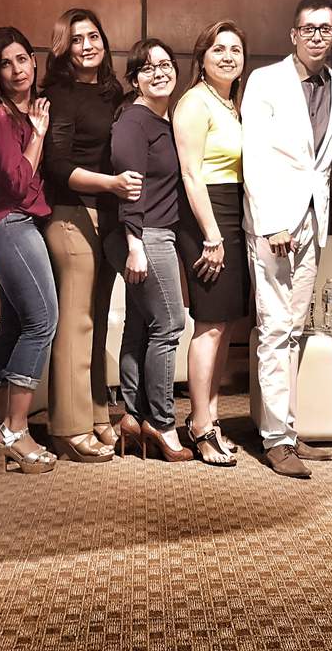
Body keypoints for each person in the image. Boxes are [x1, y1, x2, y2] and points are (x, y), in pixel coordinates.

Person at [241, 0, 332, 478]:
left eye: (325, 28)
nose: (316, 36)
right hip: (275, 225)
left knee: (295, 331)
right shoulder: (265, 81)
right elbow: (254, 155)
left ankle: (286, 426)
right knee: (274, 328)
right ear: (293, 34)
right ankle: (275, 439)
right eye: (308, 28)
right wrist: (271, 222)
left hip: (314, 222)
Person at [41, 9, 142, 462]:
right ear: (64, 47)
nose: (87, 45)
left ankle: (98, 414)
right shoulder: (58, 95)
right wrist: (111, 184)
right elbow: (56, 164)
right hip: (70, 213)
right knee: (76, 321)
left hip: (108, 217)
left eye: (94, 36)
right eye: (77, 39)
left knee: (99, 319)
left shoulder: (112, 93)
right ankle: (68, 427)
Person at [0, 27, 59, 475]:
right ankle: (15, 430)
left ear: (34, 60)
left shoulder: (31, 107)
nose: (16, 70)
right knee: (42, 321)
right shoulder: (1, 116)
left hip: (21, 221)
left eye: (22, 59)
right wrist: (38, 135)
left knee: (15, 322)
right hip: (8, 222)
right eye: (5, 63)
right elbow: (17, 183)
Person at [107, 39, 193, 462]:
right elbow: (130, 188)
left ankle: (133, 415)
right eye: (147, 67)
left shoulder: (163, 120)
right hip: (144, 235)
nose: (159, 72)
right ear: (134, 79)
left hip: (155, 233)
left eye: (165, 64)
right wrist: (135, 245)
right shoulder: (134, 121)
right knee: (170, 324)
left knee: (140, 326)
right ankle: (162, 422)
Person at [172, 21, 252, 467]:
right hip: (208, 217)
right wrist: (212, 234)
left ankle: (211, 417)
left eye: (235, 49)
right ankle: (199, 424)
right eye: (218, 49)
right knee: (210, 324)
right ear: (202, 58)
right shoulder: (194, 102)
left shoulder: (230, 103)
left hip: (233, 212)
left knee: (226, 323)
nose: (227, 56)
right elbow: (190, 173)